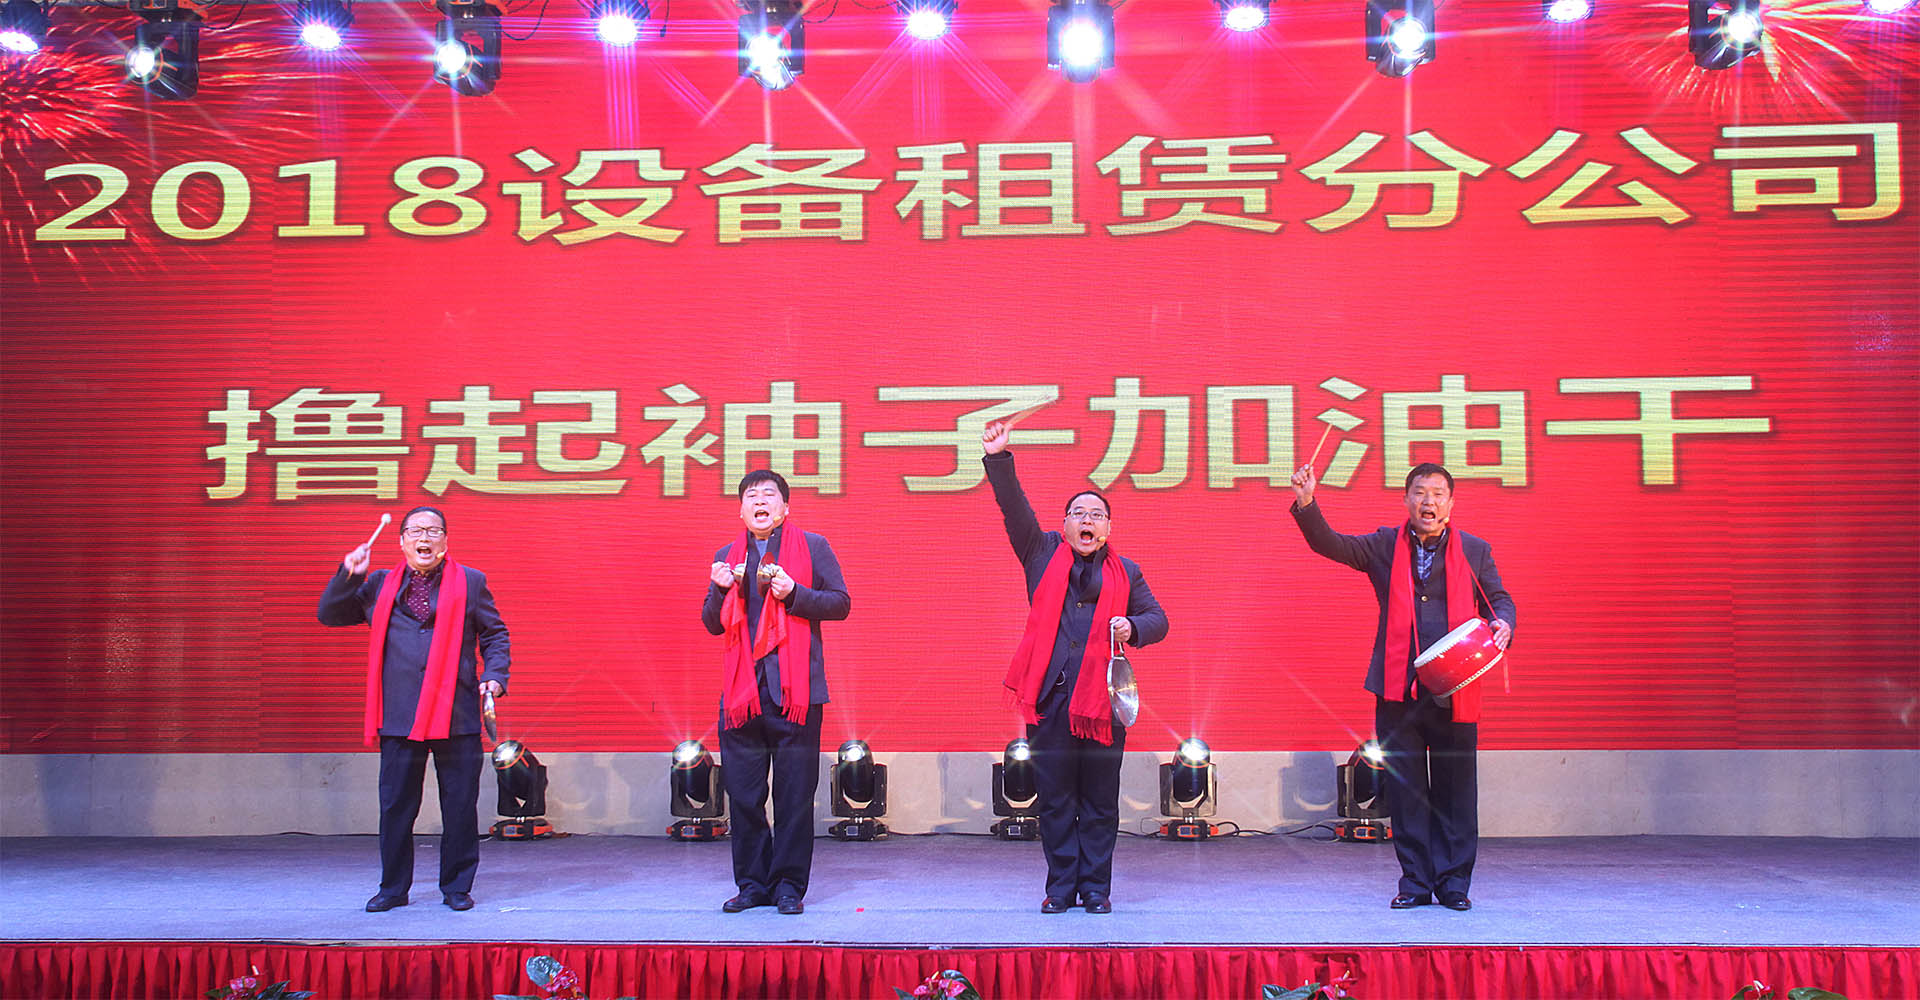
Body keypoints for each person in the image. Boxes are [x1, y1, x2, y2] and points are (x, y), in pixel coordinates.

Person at [1289, 462, 1515, 912]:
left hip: (1455, 687)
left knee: (1456, 792)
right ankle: (1415, 881)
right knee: (1407, 792)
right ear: (1406, 499)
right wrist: (1307, 501)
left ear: (1450, 503)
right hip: (1398, 687)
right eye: (1420, 492)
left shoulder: (1475, 550)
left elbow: (1499, 600)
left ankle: (1453, 884)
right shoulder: (1384, 545)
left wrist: (1503, 622)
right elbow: (1330, 544)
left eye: (1437, 493)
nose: (1428, 501)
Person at [980, 420, 1168, 914]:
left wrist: (1134, 627)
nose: (1088, 521)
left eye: (1097, 515)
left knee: (1100, 801)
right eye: (1079, 513)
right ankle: (1061, 887)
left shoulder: (1126, 572)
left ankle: (1096, 889)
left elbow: (1159, 620)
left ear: (1108, 529)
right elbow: (1013, 508)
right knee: (1056, 799)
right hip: (1051, 702)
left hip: (1104, 704)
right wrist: (999, 458)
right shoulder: (1040, 553)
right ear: (1064, 524)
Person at [319, 505, 510, 913]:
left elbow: (495, 634)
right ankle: (392, 888)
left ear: (445, 541)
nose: (425, 538)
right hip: (400, 712)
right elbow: (330, 615)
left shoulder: (470, 582)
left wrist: (495, 675)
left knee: (459, 806)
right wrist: (348, 574)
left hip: (455, 711)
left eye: (434, 531)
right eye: (416, 531)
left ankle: (456, 887)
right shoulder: (377, 584)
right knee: (396, 807)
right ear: (402, 541)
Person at [701, 470, 851, 916]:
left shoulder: (814, 547)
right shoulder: (726, 557)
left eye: (769, 495)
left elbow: (840, 603)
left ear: (785, 509)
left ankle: (788, 886)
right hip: (741, 695)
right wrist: (719, 589)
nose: (760, 501)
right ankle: (752, 885)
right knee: (744, 797)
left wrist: (795, 593)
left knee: (793, 798)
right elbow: (712, 623)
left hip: (796, 694)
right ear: (741, 510)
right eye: (751, 495)